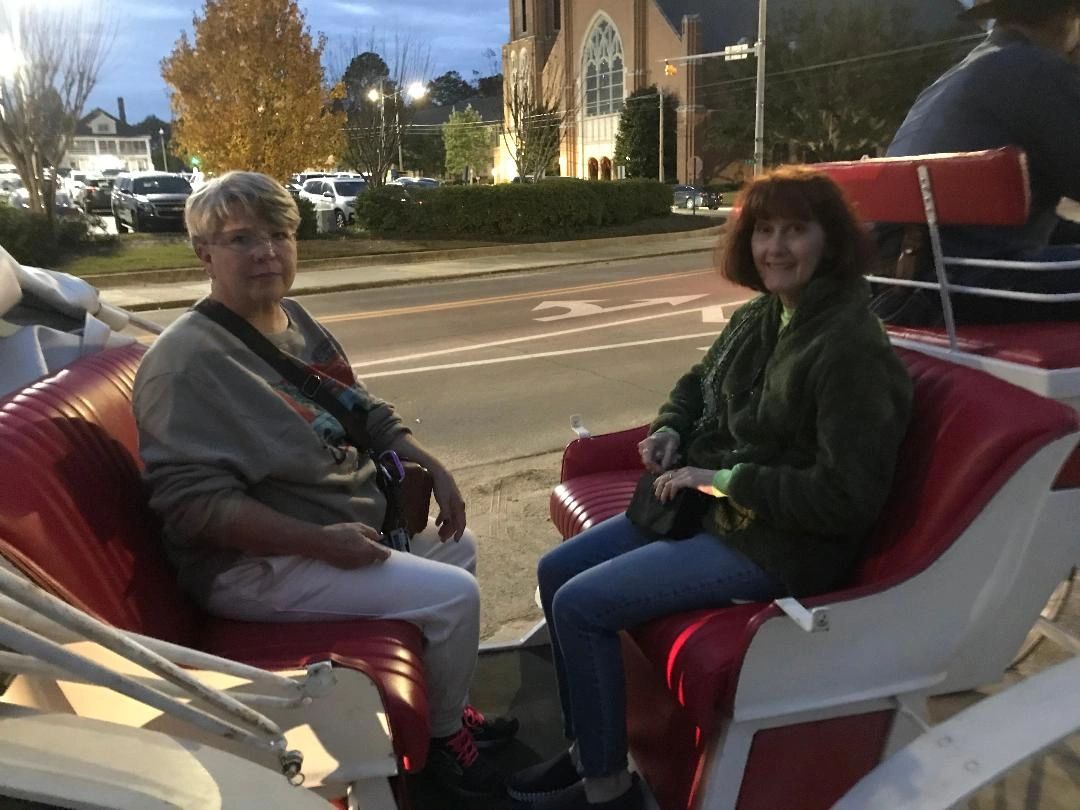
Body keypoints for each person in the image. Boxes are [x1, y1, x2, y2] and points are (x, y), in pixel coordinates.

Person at [508, 167, 913, 810]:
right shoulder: (765, 314)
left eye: (796, 231)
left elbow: (846, 496)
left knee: (583, 605)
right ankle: (592, 749)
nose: (775, 247)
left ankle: (609, 792)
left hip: (777, 544)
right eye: (764, 231)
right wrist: (670, 429)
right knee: (558, 571)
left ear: (829, 242)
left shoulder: (848, 347)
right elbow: (697, 384)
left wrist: (722, 481)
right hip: (712, 511)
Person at [132, 171, 515, 799]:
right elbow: (193, 508)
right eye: (241, 239)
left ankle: (446, 713)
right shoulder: (184, 364)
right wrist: (319, 541)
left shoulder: (293, 319)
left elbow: (362, 410)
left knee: (459, 550)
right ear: (204, 254)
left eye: (280, 234)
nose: (267, 252)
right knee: (453, 598)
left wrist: (434, 468)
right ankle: (444, 749)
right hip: (253, 565)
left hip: (335, 529)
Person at [875, 0, 1080, 324]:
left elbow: (998, 221)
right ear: (1068, 18)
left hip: (905, 284)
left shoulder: (957, 77)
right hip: (970, 284)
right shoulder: (1038, 69)